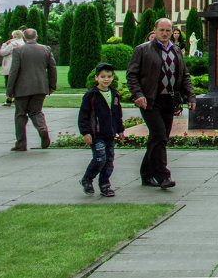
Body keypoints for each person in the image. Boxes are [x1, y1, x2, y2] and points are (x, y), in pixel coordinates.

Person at [126, 17, 196, 189]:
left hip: (169, 101)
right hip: (150, 101)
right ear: (155, 31)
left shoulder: (176, 51)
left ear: (172, 32)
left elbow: (184, 75)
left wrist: (191, 96)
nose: (165, 33)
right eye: (161, 30)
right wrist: (138, 95)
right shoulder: (142, 50)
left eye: (168, 30)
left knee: (159, 138)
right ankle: (163, 176)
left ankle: (146, 174)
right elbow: (132, 74)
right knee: (159, 135)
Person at [6, 28, 58, 152]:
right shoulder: (46, 49)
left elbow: (13, 71)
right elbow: (52, 68)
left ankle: (21, 144)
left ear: (24, 38)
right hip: (40, 87)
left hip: (22, 88)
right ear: (37, 37)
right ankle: (42, 128)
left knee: (20, 114)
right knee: (36, 111)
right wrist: (52, 86)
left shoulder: (18, 50)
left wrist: (9, 90)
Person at [78, 62, 125, 197]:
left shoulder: (114, 94)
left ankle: (105, 184)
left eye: (109, 76)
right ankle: (87, 179)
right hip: (96, 134)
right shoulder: (91, 95)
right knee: (100, 158)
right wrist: (86, 132)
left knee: (109, 160)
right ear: (96, 78)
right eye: (103, 76)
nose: (106, 79)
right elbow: (84, 115)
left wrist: (120, 129)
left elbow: (117, 113)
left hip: (110, 133)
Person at [0, 30, 25, 105]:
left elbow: (3, 52)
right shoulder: (22, 43)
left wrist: (4, 45)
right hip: (19, 65)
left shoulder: (13, 44)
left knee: (9, 82)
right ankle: (17, 98)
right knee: (17, 83)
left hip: (10, 64)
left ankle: (9, 99)